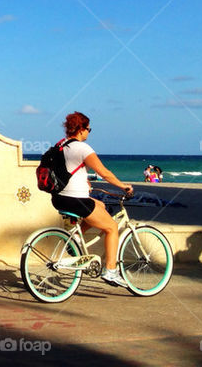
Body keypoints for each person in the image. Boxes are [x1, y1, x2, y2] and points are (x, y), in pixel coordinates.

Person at [49, 112, 133, 289]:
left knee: (100, 205)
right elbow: (104, 173)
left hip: (58, 198)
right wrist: (123, 186)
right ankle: (110, 271)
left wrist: (84, 181)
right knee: (111, 227)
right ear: (81, 129)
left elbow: (67, 170)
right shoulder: (83, 148)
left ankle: (77, 239)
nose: (89, 133)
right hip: (76, 200)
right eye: (88, 129)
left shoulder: (60, 146)